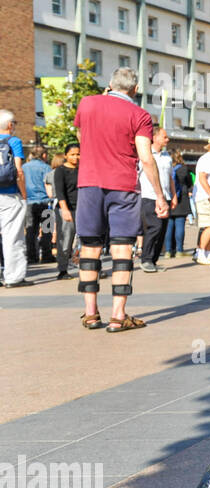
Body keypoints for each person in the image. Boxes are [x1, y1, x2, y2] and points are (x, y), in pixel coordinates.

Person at [72, 68, 167, 331]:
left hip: (88, 183)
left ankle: (90, 313)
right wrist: (159, 195)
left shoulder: (87, 103)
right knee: (122, 249)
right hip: (123, 186)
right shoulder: (140, 115)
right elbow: (146, 158)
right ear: (135, 90)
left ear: (109, 85)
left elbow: (82, 137)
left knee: (89, 248)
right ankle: (118, 315)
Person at [0, 111, 29, 287]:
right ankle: (14, 277)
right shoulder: (13, 141)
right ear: (10, 125)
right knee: (13, 236)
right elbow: (19, 171)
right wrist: (24, 194)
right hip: (10, 195)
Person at [138, 128, 173, 273]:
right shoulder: (144, 155)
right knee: (154, 227)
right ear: (155, 137)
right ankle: (146, 259)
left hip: (165, 197)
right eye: (164, 137)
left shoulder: (167, 157)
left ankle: (153, 260)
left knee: (162, 230)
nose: (167, 139)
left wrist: (173, 195)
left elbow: (170, 178)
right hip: (149, 196)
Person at [53, 143, 80, 279]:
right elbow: (60, 191)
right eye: (72, 154)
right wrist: (65, 209)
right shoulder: (60, 171)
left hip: (81, 208)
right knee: (65, 239)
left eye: (78, 154)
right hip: (66, 209)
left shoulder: (83, 169)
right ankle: (62, 269)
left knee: (86, 239)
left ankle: (90, 267)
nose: (76, 157)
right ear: (66, 156)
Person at [23, 146, 54, 265]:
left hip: (29, 202)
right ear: (44, 155)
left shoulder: (24, 167)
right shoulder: (46, 167)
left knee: (31, 230)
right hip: (45, 202)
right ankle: (46, 255)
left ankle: (31, 256)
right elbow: (50, 184)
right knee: (47, 229)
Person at [165, 158, 191, 258]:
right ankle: (179, 250)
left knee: (169, 226)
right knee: (180, 225)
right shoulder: (184, 169)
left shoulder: (167, 167)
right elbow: (189, 182)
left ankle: (168, 251)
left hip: (169, 197)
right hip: (182, 199)